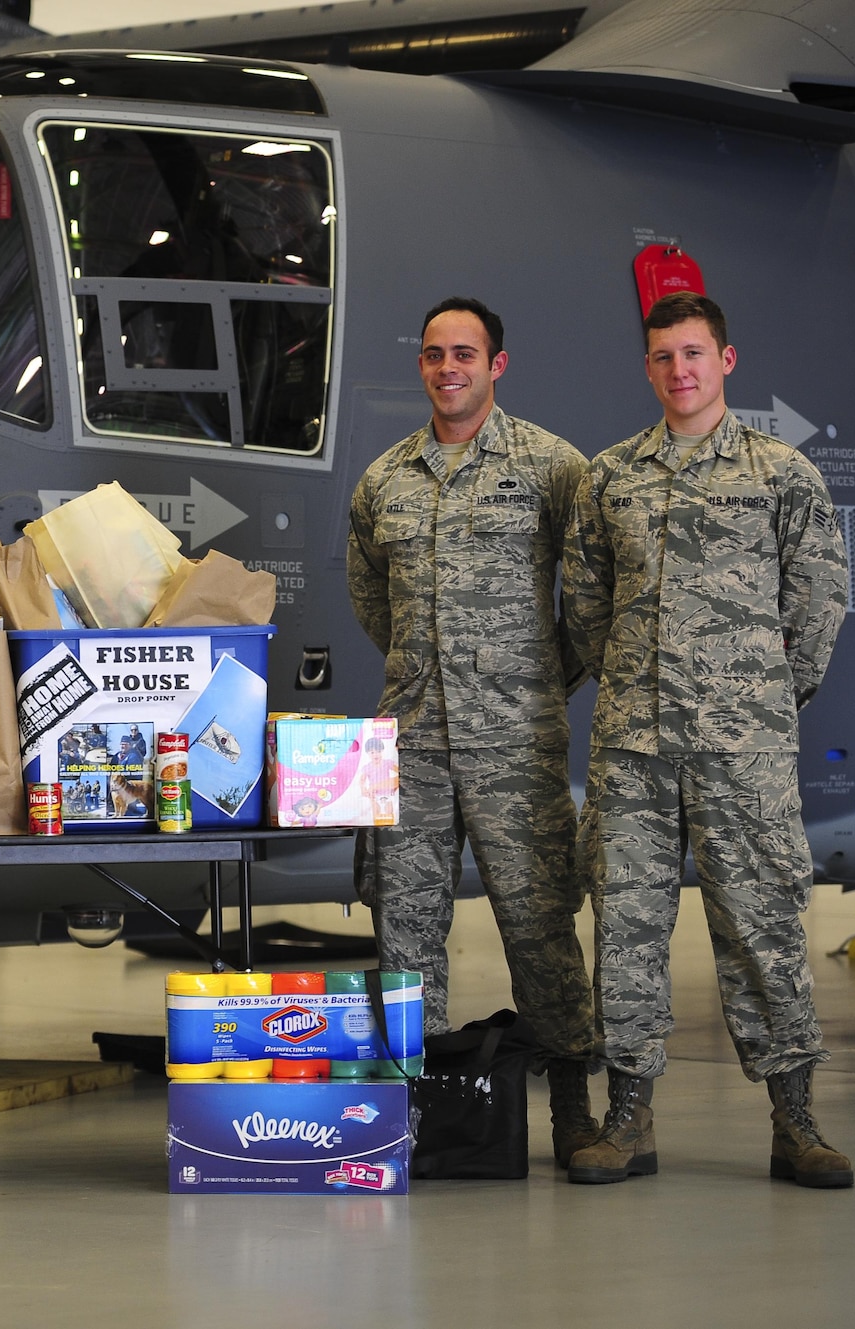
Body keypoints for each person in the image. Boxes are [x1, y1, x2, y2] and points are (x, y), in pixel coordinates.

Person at [563, 292, 851, 1187]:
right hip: (632, 752)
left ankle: (795, 1120)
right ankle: (628, 1118)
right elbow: (582, 608)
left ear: (727, 361)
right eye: (662, 356)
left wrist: (757, 699)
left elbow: (818, 602)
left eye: (694, 353)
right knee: (628, 933)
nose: (678, 369)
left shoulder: (781, 474)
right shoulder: (611, 476)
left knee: (765, 926)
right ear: (648, 368)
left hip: (745, 751)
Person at [347, 296, 599, 1167]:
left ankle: (574, 1105)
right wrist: (432, 670)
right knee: (404, 936)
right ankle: (405, 1115)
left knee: (539, 929)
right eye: (432, 353)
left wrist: (536, 677)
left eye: (465, 352)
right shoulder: (384, 479)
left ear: (498, 364)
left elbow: (594, 586)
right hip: (411, 741)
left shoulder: (551, 466)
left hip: (516, 743)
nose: (446, 366)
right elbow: (375, 600)